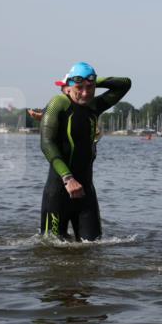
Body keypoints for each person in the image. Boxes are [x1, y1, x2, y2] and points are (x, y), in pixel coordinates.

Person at [40, 62, 131, 240]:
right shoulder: (58, 103)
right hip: (59, 191)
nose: (85, 92)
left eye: (90, 87)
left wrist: (94, 80)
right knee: (50, 249)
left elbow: (125, 83)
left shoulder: (94, 106)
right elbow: (46, 143)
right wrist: (68, 178)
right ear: (67, 88)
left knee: (93, 246)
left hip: (86, 192)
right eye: (79, 87)